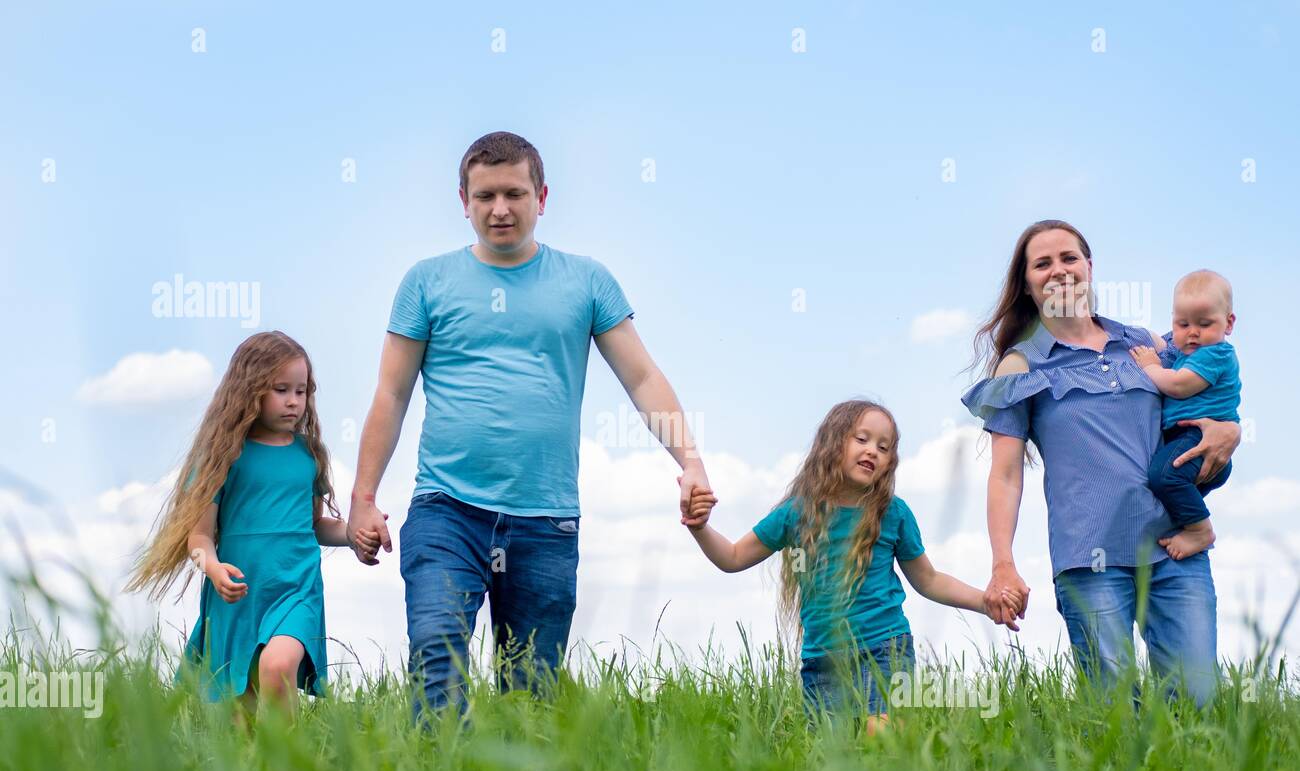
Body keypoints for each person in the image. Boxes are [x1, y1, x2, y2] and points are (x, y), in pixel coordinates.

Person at [346, 131, 714, 724]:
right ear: (462, 199)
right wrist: (363, 500)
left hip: (546, 517)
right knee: (436, 658)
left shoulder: (587, 281)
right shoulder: (426, 282)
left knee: (531, 696)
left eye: (514, 193)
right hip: (446, 509)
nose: (500, 209)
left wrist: (690, 461)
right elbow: (391, 395)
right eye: (485, 195)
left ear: (542, 196)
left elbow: (642, 378)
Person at [960, 220, 1240, 706]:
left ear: (1089, 267)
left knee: (1198, 702)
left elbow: (1208, 394)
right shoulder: (1021, 365)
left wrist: (1230, 429)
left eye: (1069, 258)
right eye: (1042, 263)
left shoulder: (1147, 343)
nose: (1059, 270)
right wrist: (1003, 563)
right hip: (1090, 559)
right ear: (1027, 283)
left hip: (1174, 545)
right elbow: (1005, 476)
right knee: (1114, 714)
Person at [681, 400, 1014, 730]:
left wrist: (985, 602)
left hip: (885, 649)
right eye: (862, 439)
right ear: (832, 443)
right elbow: (733, 558)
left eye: (884, 448)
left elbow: (928, 579)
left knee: (880, 735)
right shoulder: (796, 514)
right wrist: (700, 528)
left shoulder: (893, 514)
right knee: (833, 756)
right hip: (822, 661)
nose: (873, 451)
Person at [125, 331, 349, 724]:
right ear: (249, 390)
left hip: (296, 587)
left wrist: (353, 535)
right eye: (281, 389)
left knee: (278, 668)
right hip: (240, 593)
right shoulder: (222, 457)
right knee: (242, 715)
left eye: (302, 390)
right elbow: (198, 537)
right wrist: (212, 567)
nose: (294, 401)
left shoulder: (309, 454)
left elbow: (315, 525)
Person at [1128, 269, 1241, 560]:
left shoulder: (1215, 354)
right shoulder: (1185, 353)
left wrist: (1151, 368)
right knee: (1166, 485)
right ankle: (1182, 524)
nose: (1193, 332)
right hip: (1191, 440)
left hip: (1198, 437)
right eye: (1183, 324)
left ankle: (1200, 530)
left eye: (1205, 324)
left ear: (1228, 323)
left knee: (1163, 477)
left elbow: (1179, 386)